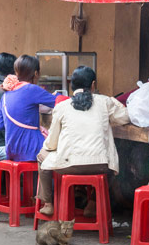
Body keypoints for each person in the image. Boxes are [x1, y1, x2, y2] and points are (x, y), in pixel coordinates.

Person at [36, 67, 129, 215]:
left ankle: (48, 203)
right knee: (111, 166)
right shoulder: (105, 102)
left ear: (72, 85)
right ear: (93, 84)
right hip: (100, 166)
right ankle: (92, 204)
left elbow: (51, 143)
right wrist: (113, 100)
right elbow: (125, 117)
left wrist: (47, 148)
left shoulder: (62, 107)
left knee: (42, 155)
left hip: (68, 165)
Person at [0, 55, 57, 162]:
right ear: (36, 73)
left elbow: (0, 125)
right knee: (58, 155)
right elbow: (57, 101)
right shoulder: (31, 89)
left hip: (11, 150)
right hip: (32, 148)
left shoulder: (5, 95)